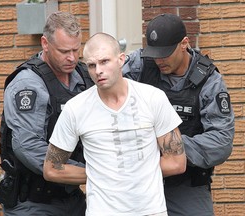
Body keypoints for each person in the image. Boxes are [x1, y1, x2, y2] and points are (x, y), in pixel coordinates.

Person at [43, 32, 187, 216]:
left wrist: (133, 172)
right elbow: (52, 169)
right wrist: (100, 174)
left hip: (150, 210)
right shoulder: (76, 108)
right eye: (91, 65)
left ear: (121, 59)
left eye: (105, 62)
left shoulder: (152, 98)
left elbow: (176, 161)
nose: (98, 71)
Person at [123, 13, 235, 216]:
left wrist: (168, 146)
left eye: (165, 53)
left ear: (184, 43)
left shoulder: (209, 81)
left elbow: (221, 141)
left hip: (186, 185)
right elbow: (106, 91)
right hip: (138, 181)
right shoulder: (138, 64)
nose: (158, 60)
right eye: (154, 53)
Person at [0, 11, 94, 216]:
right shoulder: (28, 85)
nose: (72, 58)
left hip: (72, 197)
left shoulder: (84, 78)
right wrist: (88, 172)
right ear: (45, 44)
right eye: (64, 51)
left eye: (76, 50)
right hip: (32, 202)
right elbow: (28, 147)